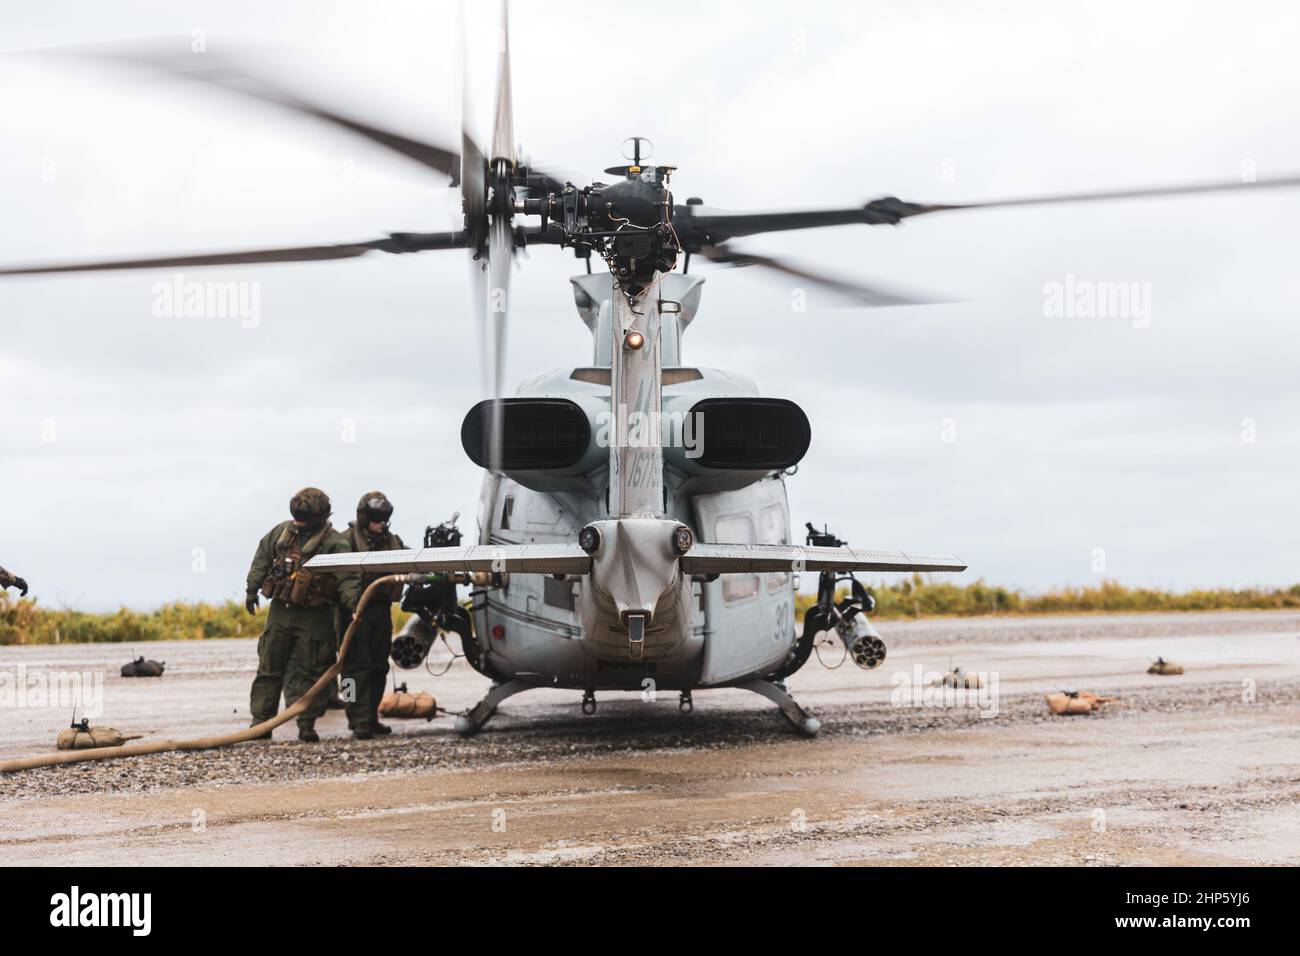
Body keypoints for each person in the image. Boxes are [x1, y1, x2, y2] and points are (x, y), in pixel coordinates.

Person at [244, 488, 359, 742]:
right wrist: (252, 589)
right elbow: (262, 558)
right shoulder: (281, 533)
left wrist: (354, 608)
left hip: (315, 616)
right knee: (269, 666)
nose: (298, 523)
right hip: (280, 612)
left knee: (312, 670)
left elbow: (348, 578)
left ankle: (306, 724)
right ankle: (260, 724)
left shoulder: (335, 543)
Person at [342, 491, 406, 740]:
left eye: (384, 518)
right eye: (376, 518)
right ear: (364, 517)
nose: (380, 523)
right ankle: (355, 717)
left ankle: (370, 716)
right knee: (352, 670)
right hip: (353, 613)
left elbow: (407, 559)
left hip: (380, 612)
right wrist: (351, 606)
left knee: (379, 666)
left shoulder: (391, 541)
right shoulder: (346, 541)